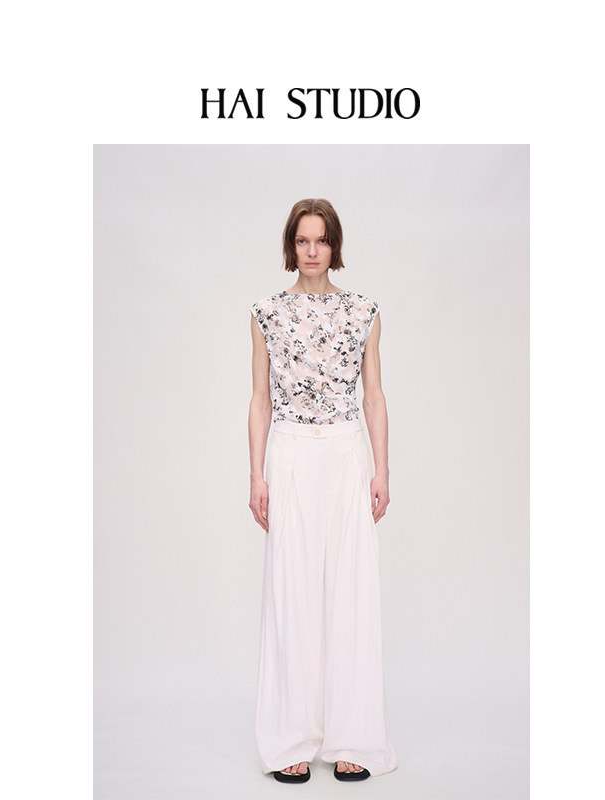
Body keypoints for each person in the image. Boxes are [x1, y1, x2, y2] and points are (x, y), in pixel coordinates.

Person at [248, 198, 398, 783]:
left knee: (350, 589)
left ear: (335, 245)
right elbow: (260, 399)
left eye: (322, 240)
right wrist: (256, 475)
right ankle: (290, 737)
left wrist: (381, 471)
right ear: (292, 246)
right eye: (303, 240)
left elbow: (374, 396)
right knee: (292, 590)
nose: (312, 251)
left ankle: (352, 736)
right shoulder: (267, 313)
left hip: (344, 451)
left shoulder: (363, 311)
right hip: (289, 451)